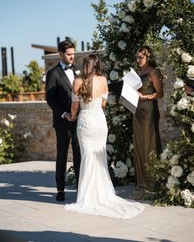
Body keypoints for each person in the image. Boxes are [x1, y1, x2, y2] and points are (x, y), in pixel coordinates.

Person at [64, 54, 144, 219]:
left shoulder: (77, 81)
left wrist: (73, 116)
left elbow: (74, 107)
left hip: (85, 121)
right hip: (99, 121)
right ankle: (102, 194)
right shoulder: (102, 80)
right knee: (100, 157)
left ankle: (87, 196)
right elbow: (103, 103)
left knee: (87, 158)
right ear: (97, 65)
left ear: (85, 65)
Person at [45, 40, 81, 201]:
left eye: (73, 54)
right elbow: (50, 99)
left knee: (79, 154)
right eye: (69, 54)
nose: (72, 57)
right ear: (60, 54)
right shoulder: (53, 73)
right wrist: (64, 114)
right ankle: (60, 189)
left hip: (80, 120)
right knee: (62, 155)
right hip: (62, 122)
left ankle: (81, 188)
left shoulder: (79, 71)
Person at [133, 46, 163, 188]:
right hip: (137, 111)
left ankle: (152, 181)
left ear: (147, 57)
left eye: (141, 57)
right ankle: (141, 181)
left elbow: (160, 93)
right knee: (139, 144)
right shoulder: (137, 73)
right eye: (137, 57)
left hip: (149, 112)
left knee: (149, 143)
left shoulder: (152, 72)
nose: (138, 60)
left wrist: (145, 96)